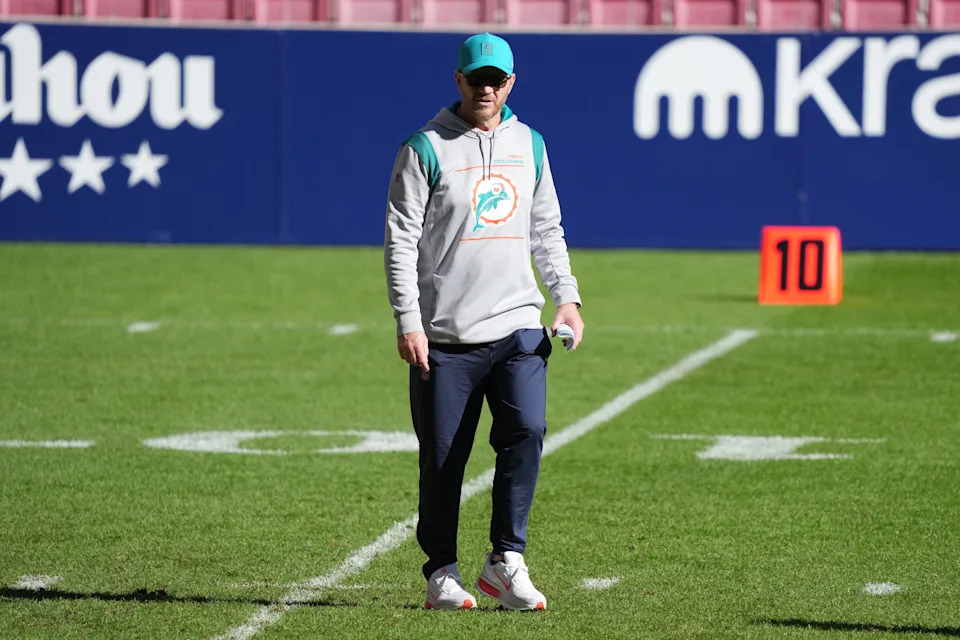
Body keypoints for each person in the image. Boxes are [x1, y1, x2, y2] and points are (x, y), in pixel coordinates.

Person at [383, 32, 584, 612]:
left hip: (519, 327)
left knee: (528, 432)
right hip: (445, 336)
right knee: (444, 458)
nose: (487, 89)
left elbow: (547, 231)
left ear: (511, 84)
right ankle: (441, 573)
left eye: (497, 80)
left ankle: (505, 561)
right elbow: (400, 244)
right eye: (477, 79)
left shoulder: (532, 144)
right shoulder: (423, 148)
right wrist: (408, 321)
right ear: (458, 81)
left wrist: (565, 298)